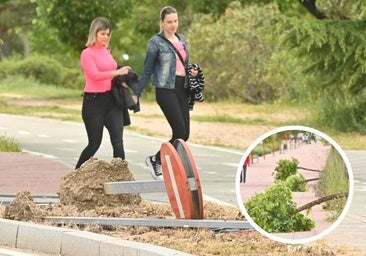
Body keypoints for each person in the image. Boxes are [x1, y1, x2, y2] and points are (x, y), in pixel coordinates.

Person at [133, 6, 198, 180]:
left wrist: (192, 72)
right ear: (162, 23)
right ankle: (157, 161)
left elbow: (185, 64)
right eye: (169, 22)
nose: (173, 25)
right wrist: (136, 92)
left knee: (185, 135)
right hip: (165, 89)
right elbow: (147, 69)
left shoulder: (182, 39)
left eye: (175, 21)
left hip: (182, 88)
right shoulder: (155, 42)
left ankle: (158, 160)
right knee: (178, 131)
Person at [75, 17, 131, 169]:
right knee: (94, 144)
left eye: (108, 34)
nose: (106, 37)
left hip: (111, 101)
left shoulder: (107, 51)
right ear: (94, 34)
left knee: (118, 142)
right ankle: (74, 176)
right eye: (102, 34)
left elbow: (110, 73)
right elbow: (95, 75)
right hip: (94, 103)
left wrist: (122, 78)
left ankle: (120, 181)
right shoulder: (87, 54)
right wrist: (116, 72)